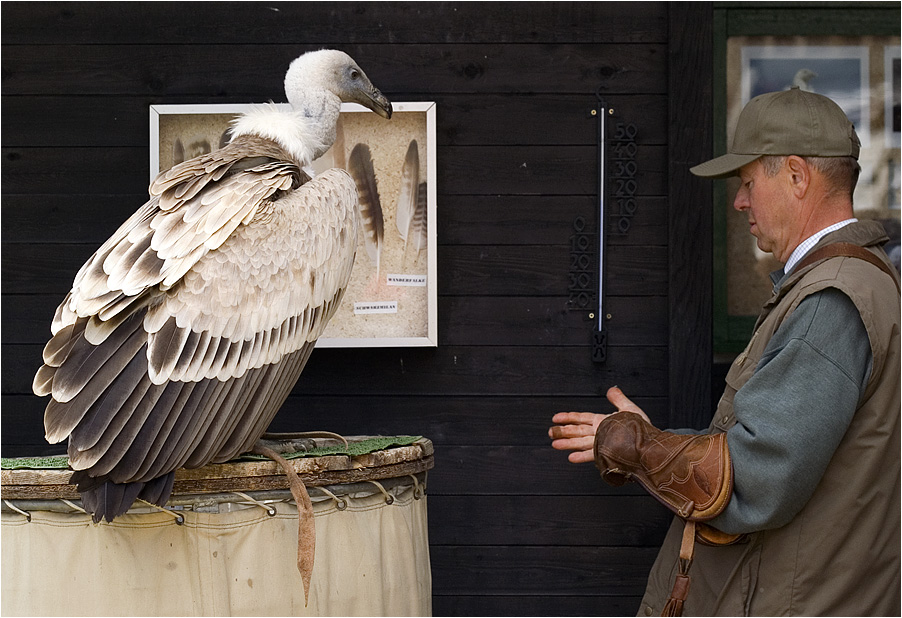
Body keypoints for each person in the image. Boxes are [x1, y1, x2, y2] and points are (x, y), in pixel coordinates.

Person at [549, 87, 901, 616]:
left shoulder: (832, 301)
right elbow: (770, 446)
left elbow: (757, 478)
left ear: (798, 177)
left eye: (748, 182)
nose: (739, 201)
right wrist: (660, 444)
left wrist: (644, 449)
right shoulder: (845, 285)